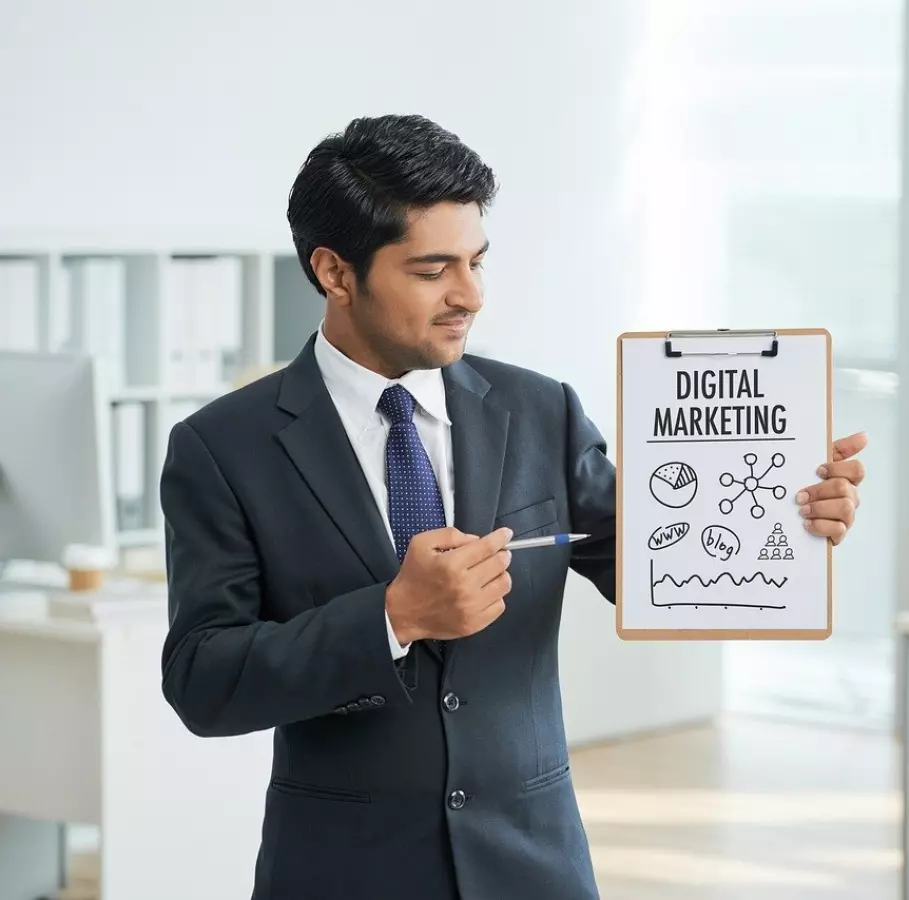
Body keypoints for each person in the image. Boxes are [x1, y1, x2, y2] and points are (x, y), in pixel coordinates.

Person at [158, 114, 867, 900]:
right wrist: (391, 618)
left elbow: (660, 568)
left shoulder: (541, 411)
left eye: (477, 262)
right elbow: (203, 679)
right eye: (433, 270)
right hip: (341, 870)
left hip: (534, 865)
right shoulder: (223, 447)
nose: (470, 296)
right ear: (334, 272)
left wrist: (786, 520)